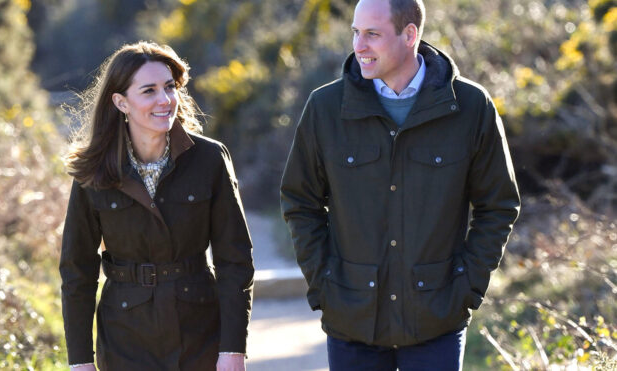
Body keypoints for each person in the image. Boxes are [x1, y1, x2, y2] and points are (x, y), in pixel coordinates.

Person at [280, 0, 520, 369]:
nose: (359, 46)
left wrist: (466, 288)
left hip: (436, 319)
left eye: (372, 34)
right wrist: (324, 284)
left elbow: (498, 205)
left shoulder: (471, 107)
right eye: (356, 33)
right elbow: (300, 202)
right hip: (351, 321)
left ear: (410, 35)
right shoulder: (325, 108)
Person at [60, 41, 254, 371]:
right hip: (124, 339)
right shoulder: (94, 171)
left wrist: (233, 349)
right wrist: (79, 361)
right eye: (148, 91)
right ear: (121, 102)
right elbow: (77, 270)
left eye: (169, 88)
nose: (165, 100)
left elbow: (234, 259)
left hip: (199, 332)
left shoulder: (209, 159)